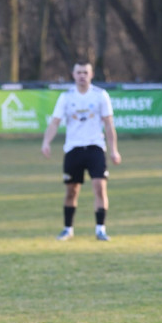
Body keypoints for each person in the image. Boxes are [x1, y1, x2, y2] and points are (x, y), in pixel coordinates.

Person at [41, 61, 122, 241]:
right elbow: (55, 122)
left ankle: (100, 229)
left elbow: (109, 124)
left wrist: (114, 150)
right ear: (73, 74)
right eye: (79, 72)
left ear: (91, 74)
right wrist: (46, 142)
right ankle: (67, 228)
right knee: (72, 191)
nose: (82, 76)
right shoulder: (66, 97)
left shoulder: (101, 95)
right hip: (73, 149)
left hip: (95, 147)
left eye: (85, 72)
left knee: (100, 188)